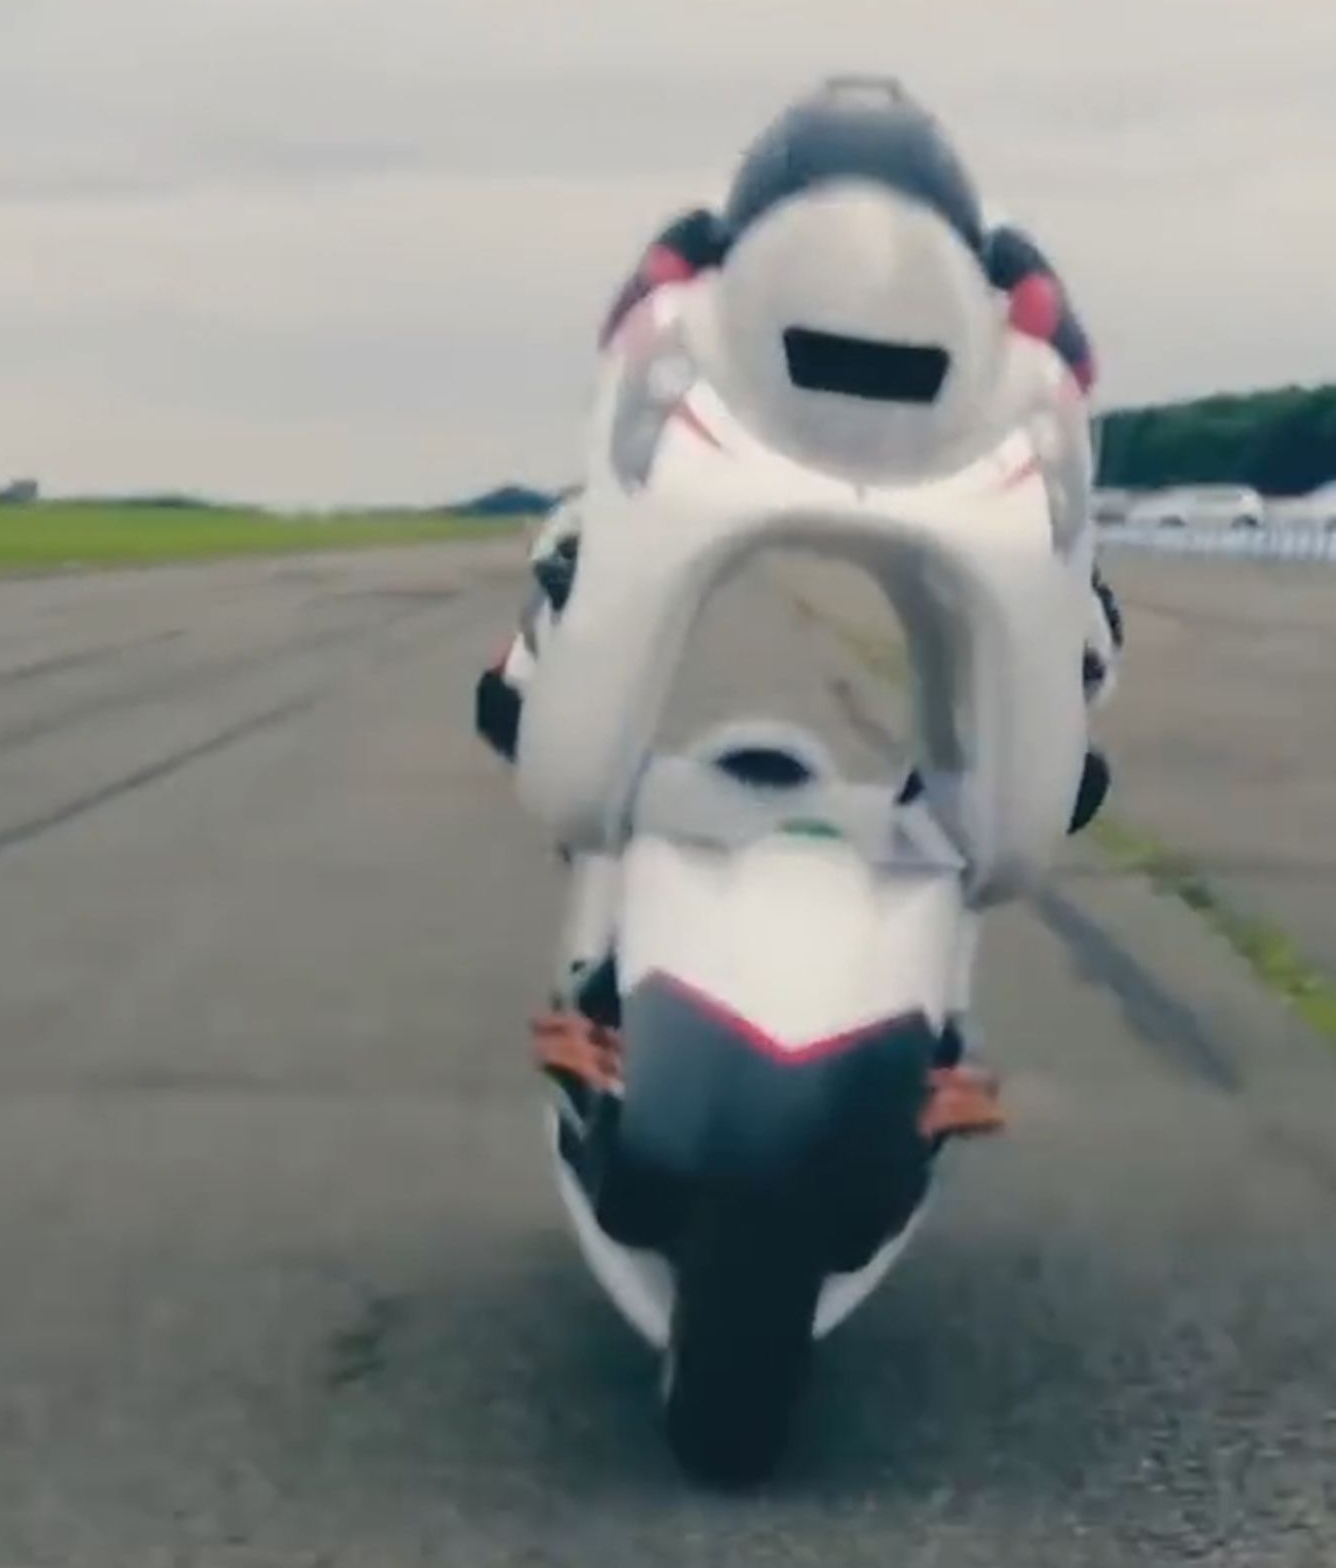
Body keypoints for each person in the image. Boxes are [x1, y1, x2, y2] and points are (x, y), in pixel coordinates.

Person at [481, 77, 1123, 1140]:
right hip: (790, 425)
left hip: (934, 441)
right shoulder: (1007, 268)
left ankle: (602, 915)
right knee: (581, 585)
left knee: (581, 609)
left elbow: (623, 333)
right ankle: (606, 951)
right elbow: (1076, 364)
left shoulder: (709, 248)